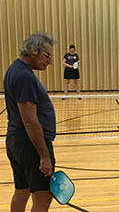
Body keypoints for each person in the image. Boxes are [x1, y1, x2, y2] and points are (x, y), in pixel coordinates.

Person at [3, 33, 56, 212]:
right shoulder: (24, 76)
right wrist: (44, 155)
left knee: (22, 191)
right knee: (43, 198)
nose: (50, 61)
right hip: (30, 145)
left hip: (16, 141)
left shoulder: (14, 69)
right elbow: (30, 121)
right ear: (34, 51)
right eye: (48, 55)